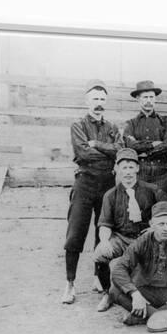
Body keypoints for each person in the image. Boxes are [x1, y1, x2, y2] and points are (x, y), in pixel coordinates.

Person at [62, 79, 123, 304]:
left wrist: (97, 144)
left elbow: (119, 150)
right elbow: (83, 154)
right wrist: (104, 152)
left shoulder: (112, 128)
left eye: (101, 99)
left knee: (103, 232)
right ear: (87, 102)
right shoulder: (78, 125)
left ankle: (99, 277)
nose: (98, 103)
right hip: (85, 181)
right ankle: (70, 283)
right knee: (76, 232)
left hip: (107, 183)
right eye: (94, 99)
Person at [93, 148, 167, 311]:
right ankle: (107, 293)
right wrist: (104, 241)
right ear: (117, 169)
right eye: (124, 167)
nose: (128, 172)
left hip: (146, 238)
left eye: (131, 167)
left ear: (138, 168)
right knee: (100, 253)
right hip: (122, 238)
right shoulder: (111, 195)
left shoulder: (151, 190)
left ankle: (153, 295)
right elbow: (104, 224)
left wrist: (155, 226)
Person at [123, 80, 167, 193]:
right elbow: (130, 146)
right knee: (141, 207)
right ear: (138, 98)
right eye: (145, 97)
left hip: (161, 173)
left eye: (151, 97)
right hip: (140, 173)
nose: (149, 101)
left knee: (160, 206)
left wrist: (144, 151)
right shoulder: (131, 123)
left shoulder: (165, 121)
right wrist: (153, 144)